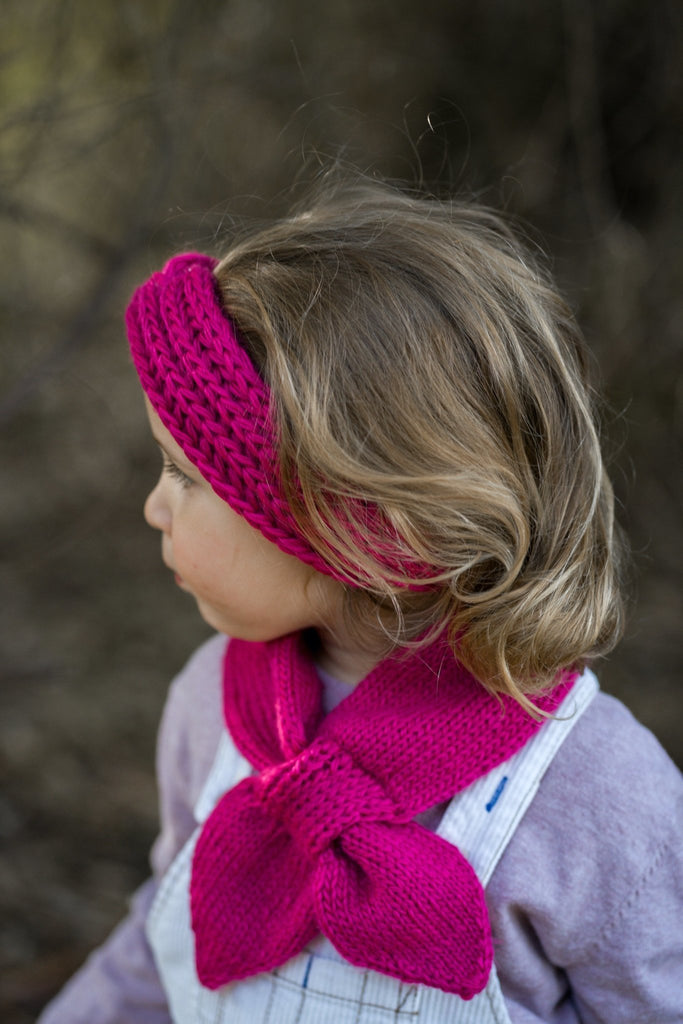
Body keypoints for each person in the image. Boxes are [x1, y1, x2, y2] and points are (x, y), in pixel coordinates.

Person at [39, 176, 683, 1024]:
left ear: (365, 526)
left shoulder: (593, 792)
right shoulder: (210, 706)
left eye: (184, 475)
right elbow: (160, 947)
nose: (154, 508)